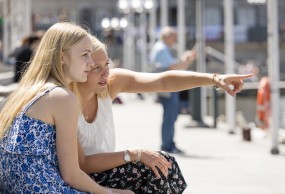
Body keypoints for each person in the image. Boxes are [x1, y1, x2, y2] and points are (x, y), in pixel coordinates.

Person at [70, 35, 252, 194]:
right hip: (81, 178)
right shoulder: (65, 101)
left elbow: (163, 82)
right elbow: (82, 164)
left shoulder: (110, 84)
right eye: (96, 68)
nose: (105, 73)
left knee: (164, 164)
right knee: (150, 169)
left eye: (107, 64)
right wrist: (136, 154)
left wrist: (213, 79)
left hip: (106, 170)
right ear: (80, 68)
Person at [0, 22, 132, 194]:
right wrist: (110, 192)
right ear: (62, 57)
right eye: (85, 55)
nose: (91, 63)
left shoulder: (30, 90)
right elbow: (71, 174)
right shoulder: (61, 97)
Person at [149, 26, 197, 153]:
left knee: (171, 116)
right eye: (173, 36)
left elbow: (176, 68)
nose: (175, 39)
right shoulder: (161, 49)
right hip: (167, 89)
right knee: (169, 117)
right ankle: (167, 145)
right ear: (167, 36)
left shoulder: (162, 48)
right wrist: (185, 59)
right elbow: (174, 67)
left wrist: (187, 60)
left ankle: (169, 143)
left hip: (168, 88)